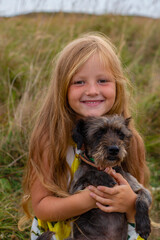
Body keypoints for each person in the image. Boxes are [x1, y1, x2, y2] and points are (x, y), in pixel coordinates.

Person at [19, 32, 150, 240]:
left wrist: (130, 205)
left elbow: (138, 209)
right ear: (62, 88)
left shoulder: (129, 139)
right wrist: (93, 197)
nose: (91, 90)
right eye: (79, 82)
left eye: (102, 80)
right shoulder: (51, 140)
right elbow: (42, 208)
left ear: (117, 84)